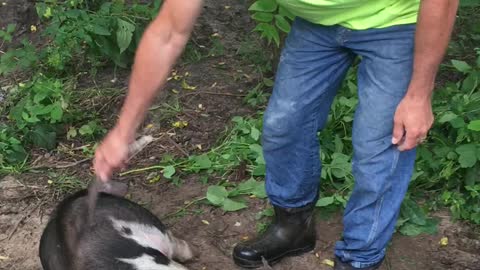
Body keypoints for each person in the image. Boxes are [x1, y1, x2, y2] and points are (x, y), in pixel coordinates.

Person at [93, 0, 459, 269]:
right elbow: (168, 31)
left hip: (398, 18)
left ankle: (360, 258)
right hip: (317, 22)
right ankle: (293, 225)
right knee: (284, 125)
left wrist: (418, 93)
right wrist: (124, 130)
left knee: (382, 142)